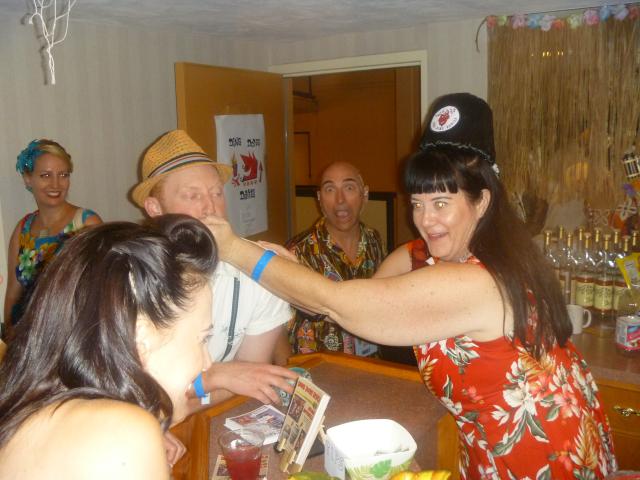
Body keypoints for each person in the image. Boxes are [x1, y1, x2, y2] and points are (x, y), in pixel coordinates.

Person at [204, 93, 617, 479]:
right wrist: (286, 271)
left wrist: (236, 249)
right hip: (497, 441)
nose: (425, 219)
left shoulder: (479, 280)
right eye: (417, 203)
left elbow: (340, 304)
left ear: (482, 201)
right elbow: (339, 307)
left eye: (441, 203)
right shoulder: (458, 253)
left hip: (541, 453)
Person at [0, 215, 216, 478]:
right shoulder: (120, 437)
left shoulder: (49, 413)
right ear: (142, 336)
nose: (208, 362)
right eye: (202, 338)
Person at [131, 130, 297, 408]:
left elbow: (250, 379)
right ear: (155, 208)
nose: (210, 207)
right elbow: (135, 396)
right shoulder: (128, 274)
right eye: (192, 195)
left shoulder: (260, 271)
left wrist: (208, 389)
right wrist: (215, 377)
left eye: (217, 193)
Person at [3, 139, 102, 338]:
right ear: (28, 179)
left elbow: (100, 291)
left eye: (63, 175)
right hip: (29, 339)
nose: (56, 184)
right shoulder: (23, 228)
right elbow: (13, 293)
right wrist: (10, 337)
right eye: (46, 175)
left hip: (72, 338)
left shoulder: (86, 223)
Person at [285, 161, 384, 356]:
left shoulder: (374, 240)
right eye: (330, 190)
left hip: (371, 363)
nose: (340, 200)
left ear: (364, 195)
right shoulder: (298, 252)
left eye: (349, 188)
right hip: (316, 368)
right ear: (319, 199)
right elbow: (277, 326)